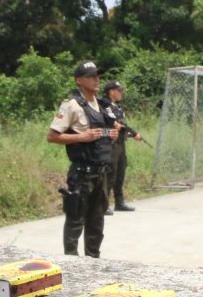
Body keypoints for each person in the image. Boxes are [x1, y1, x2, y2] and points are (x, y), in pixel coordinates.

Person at [47, 61, 119, 258]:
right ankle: (71, 262)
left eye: (97, 75)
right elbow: (52, 136)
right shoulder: (71, 105)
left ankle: (93, 263)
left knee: (97, 221)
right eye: (91, 76)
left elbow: (102, 135)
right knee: (75, 219)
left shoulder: (103, 105)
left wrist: (110, 136)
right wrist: (81, 137)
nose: (96, 79)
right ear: (79, 81)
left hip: (102, 173)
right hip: (82, 174)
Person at [100, 80, 141, 213]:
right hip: (110, 144)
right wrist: (131, 131)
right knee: (110, 173)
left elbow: (122, 126)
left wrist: (131, 134)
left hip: (120, 143)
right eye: (119, 91)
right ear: (111, 92)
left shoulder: (117, 107)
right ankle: (103, 204)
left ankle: (119, 202)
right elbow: (112, 124)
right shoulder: (104, 106)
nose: (121, 93)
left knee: (120, 173)